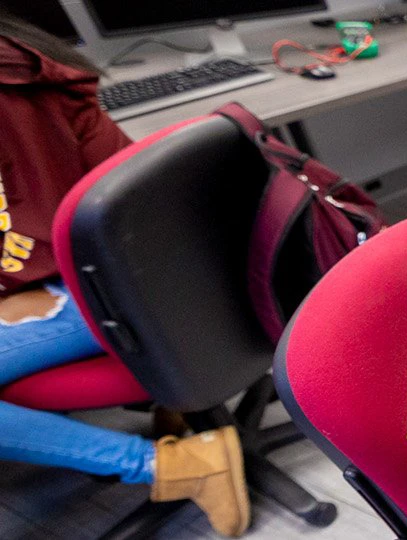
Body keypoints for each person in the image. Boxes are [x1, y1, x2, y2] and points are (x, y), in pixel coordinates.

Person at [0, 11, 248, 537]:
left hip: (99, 287)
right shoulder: (27, 63)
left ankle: (178, 467)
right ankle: (176, 425)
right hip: (149, 271)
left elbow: (35, 225)